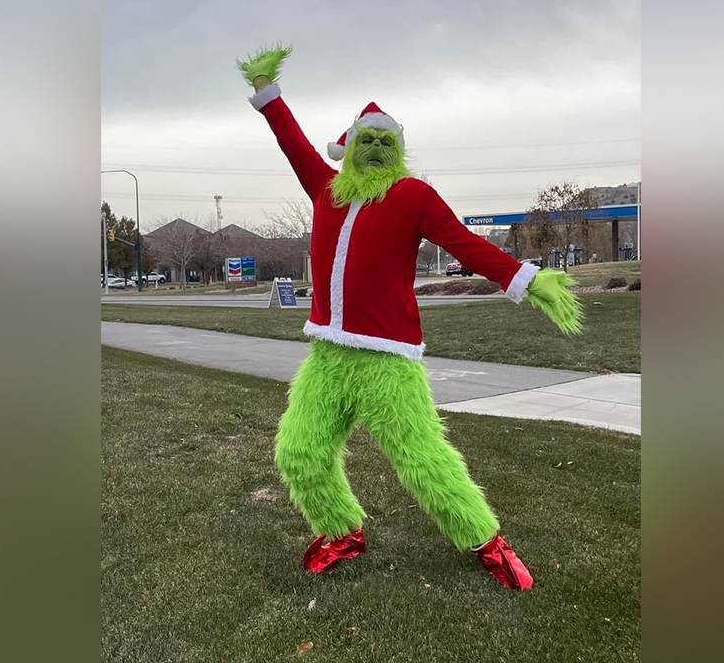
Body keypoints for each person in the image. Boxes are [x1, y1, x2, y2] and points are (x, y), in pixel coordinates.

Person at [237, 45, 583, 590]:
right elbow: (292, 143)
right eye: (366, 140)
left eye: (386, 142)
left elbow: (465, 244)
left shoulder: (413, 195)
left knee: (421, 458)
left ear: (397, 152)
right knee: (298, 450)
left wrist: (528, 278)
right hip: (327, 357)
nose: (375, 149)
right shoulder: (324, 189)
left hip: (388, 362)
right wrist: (267, 93)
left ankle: (488, 543)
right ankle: (342, 532)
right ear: (347, 147)